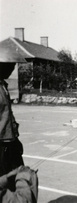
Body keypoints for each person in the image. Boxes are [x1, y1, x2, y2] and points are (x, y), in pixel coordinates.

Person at [0, 63, 24, 191]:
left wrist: (16, 138)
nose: (11, 70)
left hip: (10, 140)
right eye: (9, 67)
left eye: (13, 67)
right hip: (1, 142)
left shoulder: (3, 86)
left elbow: (9, 114)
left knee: (20, 177)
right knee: (3, 183)